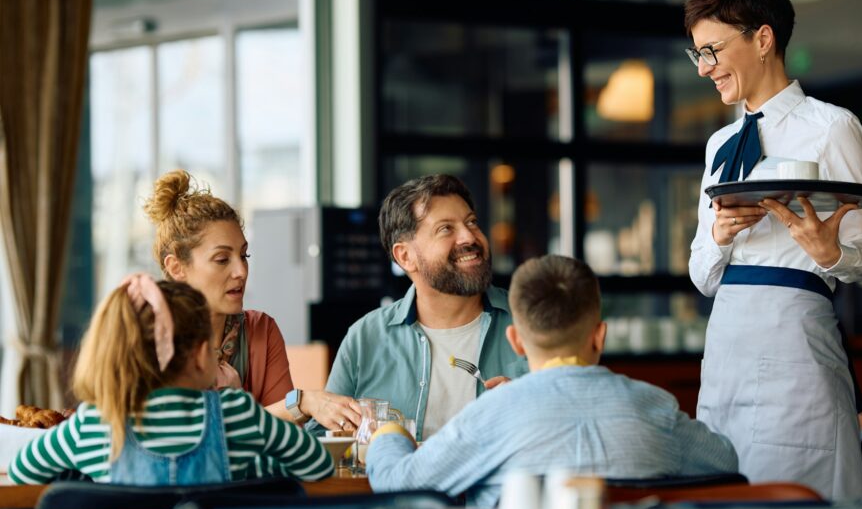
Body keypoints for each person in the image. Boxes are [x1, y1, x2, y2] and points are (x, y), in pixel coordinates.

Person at [685, 0, 862, 500]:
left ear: (763, 39)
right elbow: (702, 276)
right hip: (726, 345)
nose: (704, 69)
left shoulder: (831, 126)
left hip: (796, 344)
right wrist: (722, 236)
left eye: (712, 51)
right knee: (727, 499)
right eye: (698, 54)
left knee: (798, 502)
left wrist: (833, 251)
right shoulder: (719, 146)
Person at [365, 255, 738, 508]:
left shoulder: (493, 414)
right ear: (599, 336)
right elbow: (725, 463)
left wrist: (389, 433)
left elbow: (402, 487)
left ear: (516, 341)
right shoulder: (655, 407)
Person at [9, 276, 333, 484]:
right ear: (199, 354)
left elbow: (23, 470)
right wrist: (257, 468)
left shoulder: (94, 423)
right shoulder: (237, 412)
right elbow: (318, 464)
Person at [309, 174, 528, 441]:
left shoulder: (531, 320)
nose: (469, 236)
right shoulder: (366, 337)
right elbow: (323, 441)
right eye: (446, 229)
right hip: (396, 484)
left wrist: (531, 408)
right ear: (405, 256)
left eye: (471, 222)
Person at [144, 170, 359, 431]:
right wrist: (300, 402)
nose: (241, 272)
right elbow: (177, 435)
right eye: (222, 259)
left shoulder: (261, 331)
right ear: (177, 268)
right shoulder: (147, 336)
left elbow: (286, 438)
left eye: (244, 256)